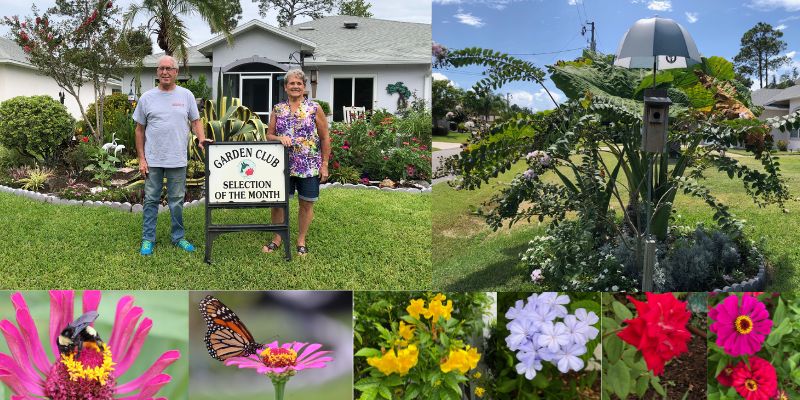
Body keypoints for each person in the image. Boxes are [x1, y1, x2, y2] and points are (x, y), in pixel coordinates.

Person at [133, 55, 209, 255]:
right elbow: (139, 130)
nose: (165, 72)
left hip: (177, 159)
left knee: (176, 201)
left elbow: (196, 121)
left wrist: (201, 138)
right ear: (157, 72)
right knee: (151, 199)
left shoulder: (186, 96)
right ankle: (148, 239)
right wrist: (142, 158)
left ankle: (178, 237)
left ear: (176, 72)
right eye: (161, 69)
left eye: (169, 68)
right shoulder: (147, 98)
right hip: (153, 159)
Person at [263, 69, 331, 256]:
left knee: (306, 203)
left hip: (309, 165)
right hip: (282, 166)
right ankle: (277, 238)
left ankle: (301, 240)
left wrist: (324, 164)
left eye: (299, 83)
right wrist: (279, 138)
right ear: (285, 87)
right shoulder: (278, 109)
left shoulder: (314, 108)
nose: (295, 86)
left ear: (304, 87)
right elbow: (268, 135)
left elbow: (325, 137)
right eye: (291, 83)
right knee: (278, 203)